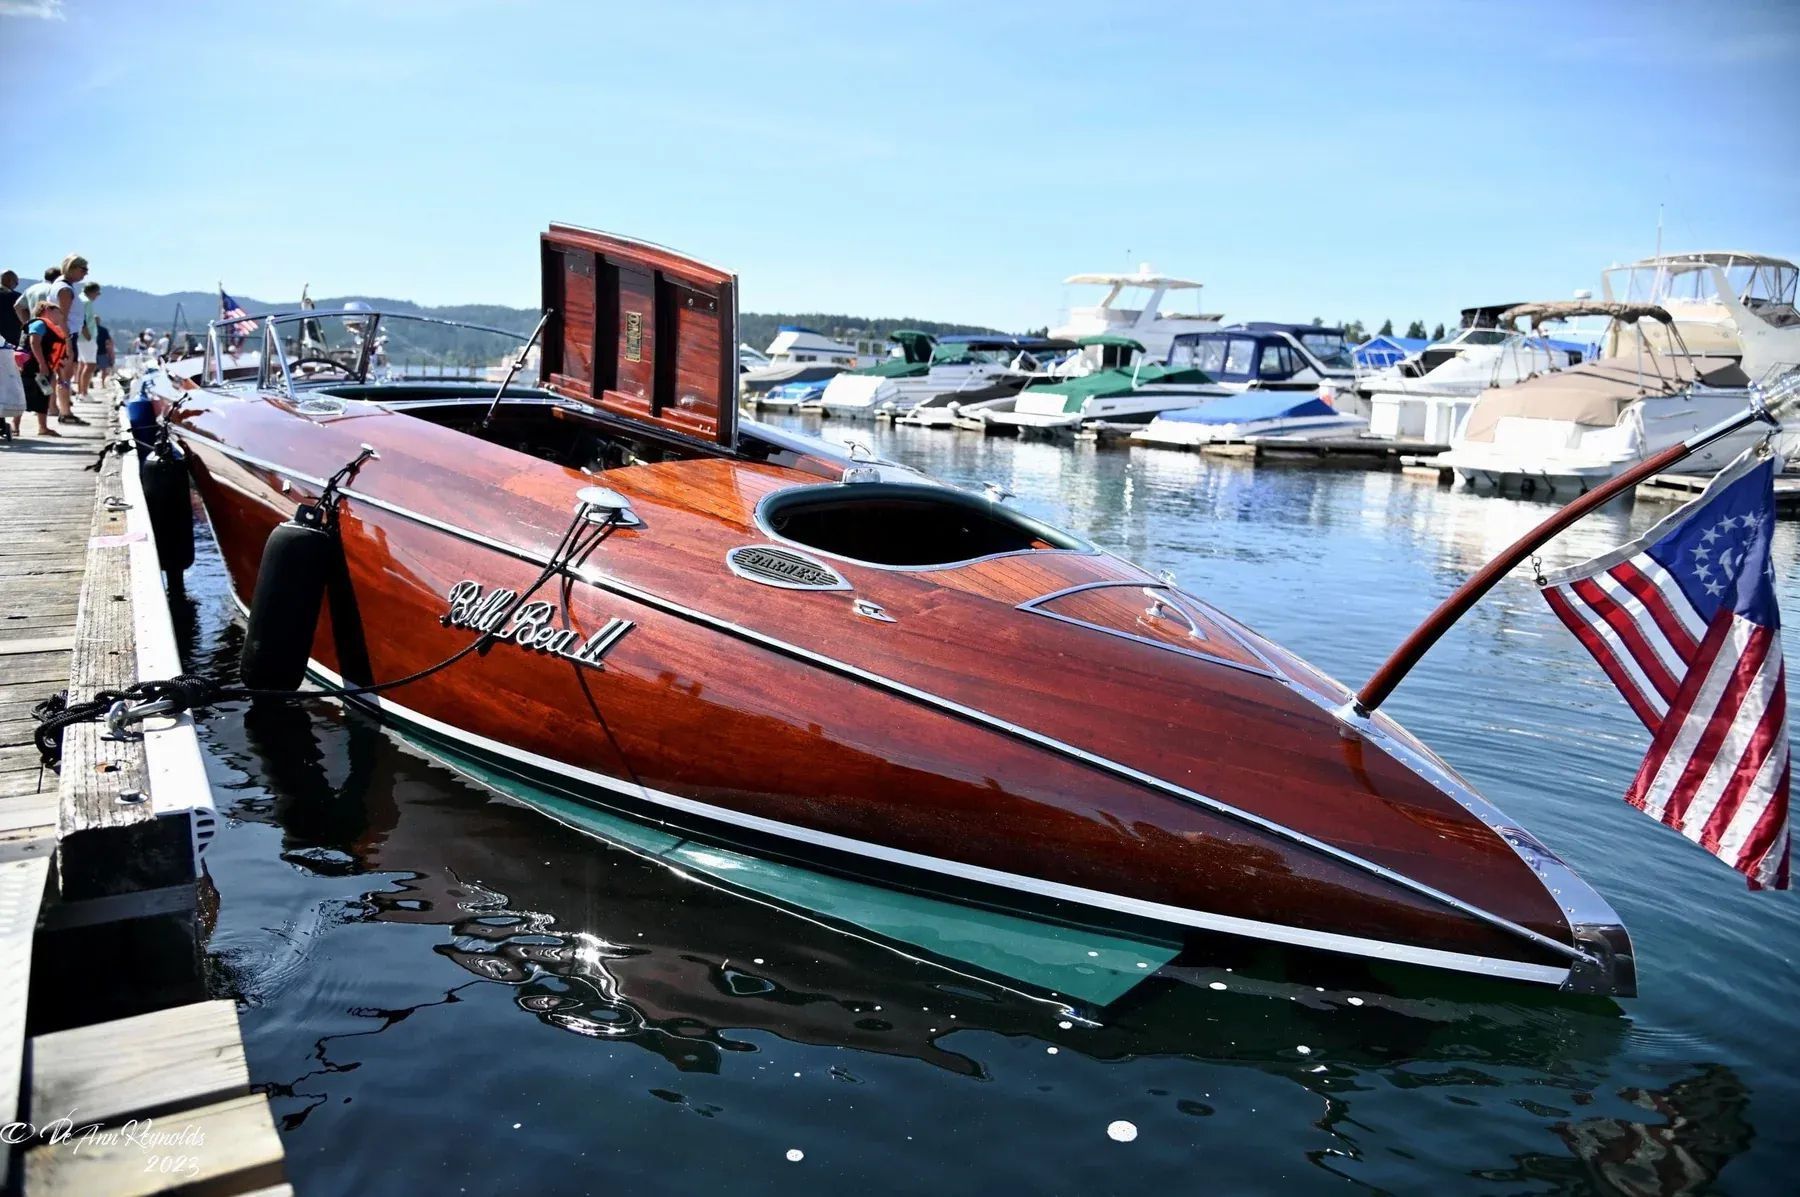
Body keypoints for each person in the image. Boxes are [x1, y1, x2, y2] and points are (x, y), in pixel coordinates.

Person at [48, 256, 89, 426]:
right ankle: (65, 412)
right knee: (65, 375)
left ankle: (64, 410)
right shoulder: (65, 289)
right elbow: (62, 317)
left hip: (62, 335)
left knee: (63, 375)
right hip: (66, 336)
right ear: (72, 268)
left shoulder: (59, 285)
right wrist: (68, 342)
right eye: (83, 269)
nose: (86, 274)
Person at [20, 301, 68, 437]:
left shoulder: (51, 328)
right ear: (47, 310)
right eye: (58, 312)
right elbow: (34, 342)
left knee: (44, 395)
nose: (61, 316)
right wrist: (41, 363)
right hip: (31, 367)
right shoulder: (39, 324)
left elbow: (55, 355)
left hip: (45, 369)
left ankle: (43, 427)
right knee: (23, 395)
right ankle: (15, 425)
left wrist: (60, 375)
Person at [75, 280, 101, 396]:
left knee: (82, 364)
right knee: (90, 365)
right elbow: (83, 318)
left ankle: (81, 392)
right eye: (98, 293)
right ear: (93, 292)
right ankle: (84, 393)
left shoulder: (79, 298)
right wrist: (88, 334)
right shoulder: (86, 302)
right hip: (86, 337)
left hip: (80, 337)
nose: (98, 296)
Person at [14, 266, 57, 332]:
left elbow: (17, 306)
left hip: (34, 330)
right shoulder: (55, 289)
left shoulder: (31, 288)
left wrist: (28, 323)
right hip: (50, 331)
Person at [0, 270, 21, 348]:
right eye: (16, 283)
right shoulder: (16, 297)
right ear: (10, 281)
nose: (17, 286)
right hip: (11, 341)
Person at [95, 322, 115, 387]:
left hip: (97, 351)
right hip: (101, 351)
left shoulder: (89, 330)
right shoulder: (103, 330)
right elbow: (109, 341)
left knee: (93, 368)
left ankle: (101, 383)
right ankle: (102, 383)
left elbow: (108, 341)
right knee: (103, 369)